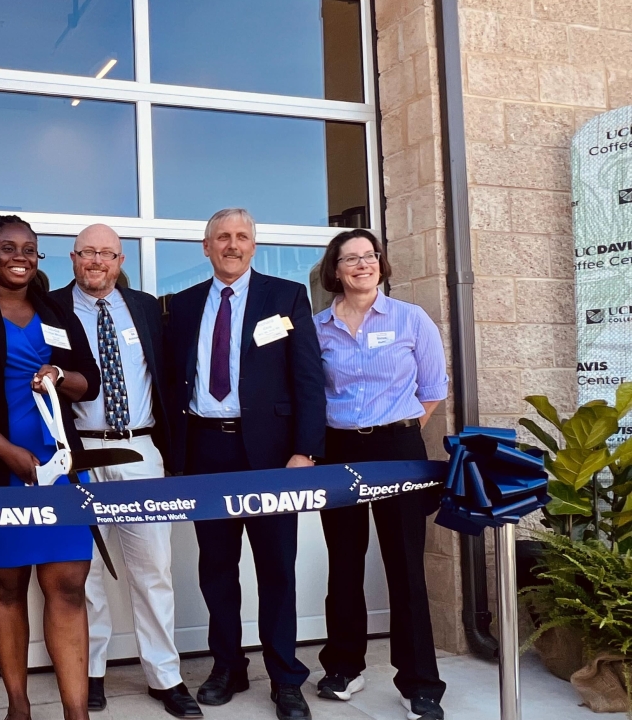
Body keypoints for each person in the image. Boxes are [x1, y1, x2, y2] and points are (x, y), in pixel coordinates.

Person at [0, 215, 101, 720]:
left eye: (30, 249)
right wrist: (7, 453)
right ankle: (18, 706)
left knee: (68, 584)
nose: (21, 257)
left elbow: (87, 381)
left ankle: (76, 712)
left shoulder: (58, 313)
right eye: (8, 248)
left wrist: (60, 374)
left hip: (62, 472)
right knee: (6, 585)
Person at [165, 208, 325, 720]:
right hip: (206, 451)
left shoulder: (286, 297)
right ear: (206, 246)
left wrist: (306, 449)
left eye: (242, 237)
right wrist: (175, 455)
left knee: (276, 567)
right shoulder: (183, 306)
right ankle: (227, 667)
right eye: (222, 238)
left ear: (253, 245)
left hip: (272, 456)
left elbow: (308, 379)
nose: (232, 245)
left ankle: (285, 678)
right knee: (216, 567)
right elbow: (172, 384)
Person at [48, 224, 200, 718]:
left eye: (107, 253)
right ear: (72, 258)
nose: (97, 261)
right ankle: (88, 672)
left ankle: (165, 675)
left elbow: (170, 378)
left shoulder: (146, 308)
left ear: (120, 259)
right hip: (77, 457)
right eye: (87, 252)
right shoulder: (50, 308)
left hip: (139, 452)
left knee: (153, 568)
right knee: (82, 574)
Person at [312, 229, 448, 720]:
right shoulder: (318, 327)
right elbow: (312, 393)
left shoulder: (412, 319)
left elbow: (433, 387)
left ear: (380, 263)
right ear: (336, 270)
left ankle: (419, 682)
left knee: (406, 564)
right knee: (343, 562)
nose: (362, 265)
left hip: (397, 447)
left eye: (369, 256)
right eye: (351, 259)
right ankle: (344, 665)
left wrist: (397, 430)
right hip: (339, 450)